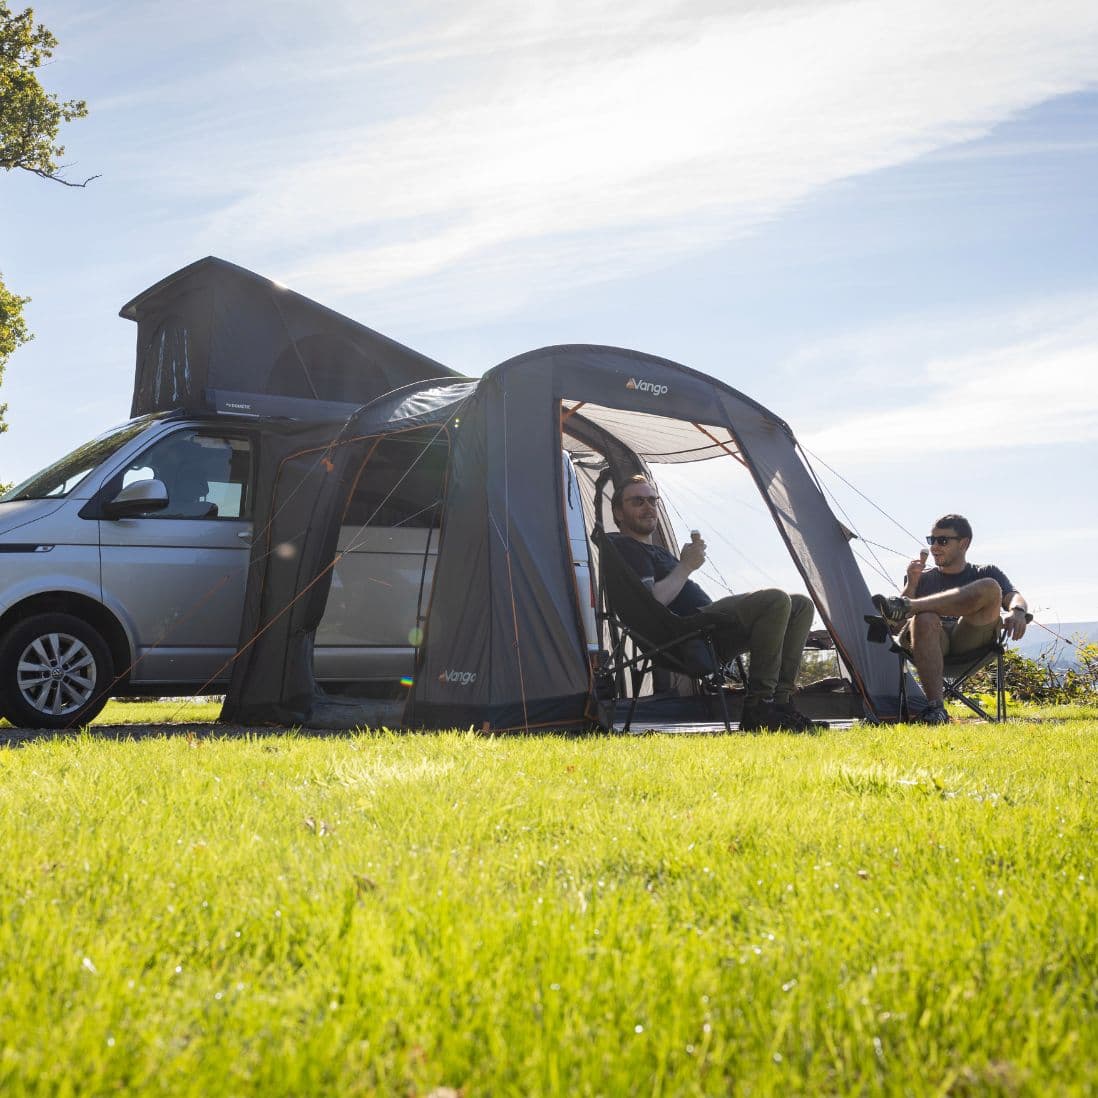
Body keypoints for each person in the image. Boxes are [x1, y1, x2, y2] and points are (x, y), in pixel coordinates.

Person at [609, 474, 820, 732]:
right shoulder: (626, 547)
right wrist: (686, 565)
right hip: (687, 634)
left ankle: (782, 704)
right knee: (775, 599)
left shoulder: (657, 551)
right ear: (619, 513)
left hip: (708, 630)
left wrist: (684, 564)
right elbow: (651, 603)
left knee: (801, 606)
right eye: (638, 501)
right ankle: (759, 706)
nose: (649, 507)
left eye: (653, 500)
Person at [873, 513, 1029, 724]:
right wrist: (911, 584)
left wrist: (1018, 611)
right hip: (931, 643)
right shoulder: (921, 578)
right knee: (924, 618)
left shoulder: (984, 572)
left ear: (964, 543)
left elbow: (1014, 597)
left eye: (942, 540)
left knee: (991, 586)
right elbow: (898, 625)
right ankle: (936, 710)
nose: (934, 547)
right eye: (932, 540)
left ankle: (914, 606)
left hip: (971, 642)